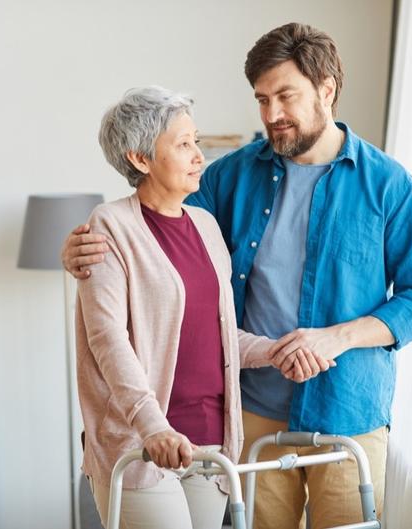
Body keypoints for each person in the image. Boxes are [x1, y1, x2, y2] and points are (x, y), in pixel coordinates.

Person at [64, 23, 412, 529]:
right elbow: (152, 231)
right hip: (251, 411)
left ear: (326, 89)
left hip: (348, 407)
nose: (271, 115)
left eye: (285, 96)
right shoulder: (228, 176)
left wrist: (337, 339)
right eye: (262, 99)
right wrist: (80, 251)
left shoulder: (389, 185)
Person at [75, 86, 334, 529]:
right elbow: (109, 341)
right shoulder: (110, 226)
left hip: (211, 440)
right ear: (140, 158)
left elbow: (216, 334)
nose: (198, 155)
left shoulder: (205, 225)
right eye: (183, 144)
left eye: (196, 141)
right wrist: (152, 427)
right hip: (144, 443)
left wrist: (274, 351)